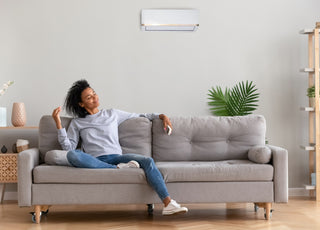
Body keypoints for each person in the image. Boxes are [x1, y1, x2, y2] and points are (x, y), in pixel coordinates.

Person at [52, 79, 188, 215]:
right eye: (89, 97)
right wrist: (58, 123)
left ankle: (168, 203)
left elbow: (141, 115)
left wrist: (162, 116)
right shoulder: (77, 123)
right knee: (72, 155)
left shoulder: (112, 114)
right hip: (95, 161)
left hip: (117, 157)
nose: (94, 98)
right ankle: (117, 168)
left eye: (94, 93)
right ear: (81, 104)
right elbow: (68, 149)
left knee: (148, 161)